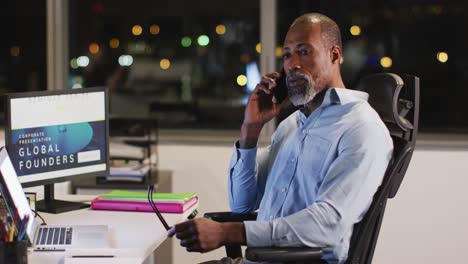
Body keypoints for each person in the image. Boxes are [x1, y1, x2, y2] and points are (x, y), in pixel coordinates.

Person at [168, 13, 393, 263]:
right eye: (287, 55)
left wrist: (227, 232)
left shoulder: (362, 128)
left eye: (304, 52)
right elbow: (242, 206)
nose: (292, 64)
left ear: (335, 55)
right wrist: (250, 130)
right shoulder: (292, 125)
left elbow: (329, 224)